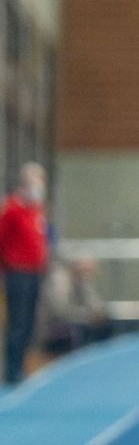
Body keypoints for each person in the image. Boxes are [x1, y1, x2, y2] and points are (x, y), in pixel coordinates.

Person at [1, 163, 50, 385]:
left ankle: (22, 365)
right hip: (17, 273)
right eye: (36, 183)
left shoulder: (36, 210)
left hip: (34, 272)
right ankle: (12, 371)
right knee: (18, 322)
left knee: (29, 323)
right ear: (25, 184)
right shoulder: (12, 209)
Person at [37, 256, 109, 356]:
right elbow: (60, 310)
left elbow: (93, 302)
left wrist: (99, 312)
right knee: (79, 329)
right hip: (50, 328)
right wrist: (87, 316)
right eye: (86, 271)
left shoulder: (80, 280)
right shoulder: (59, 279)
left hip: (72, 322)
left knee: (105, 322)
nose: (88, 275)